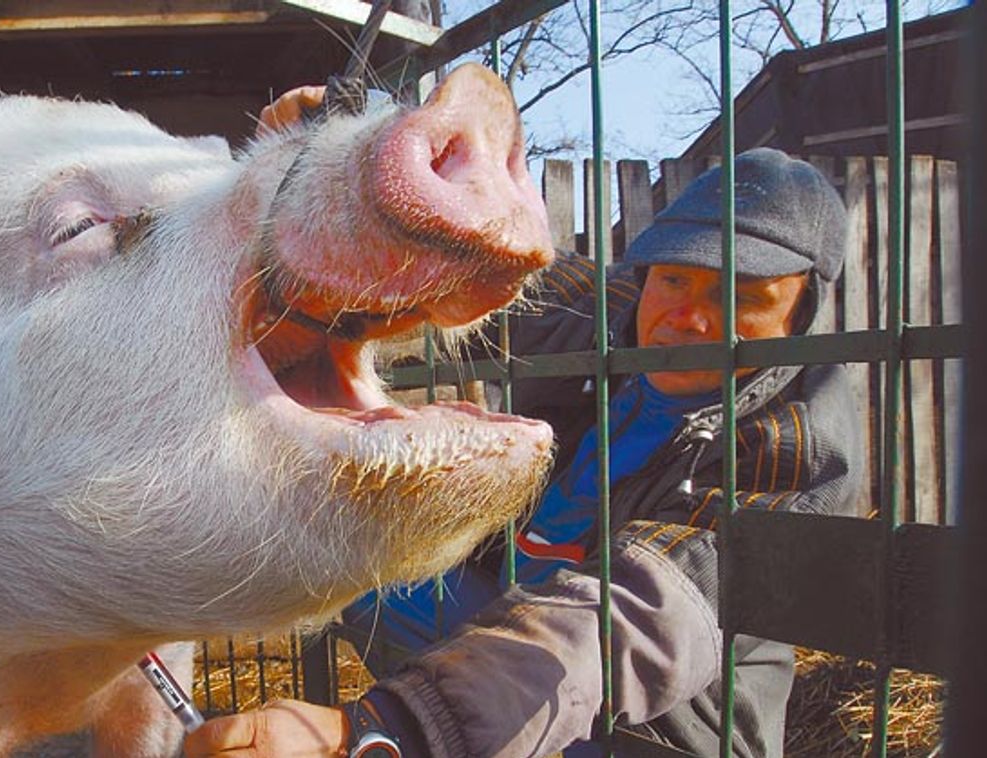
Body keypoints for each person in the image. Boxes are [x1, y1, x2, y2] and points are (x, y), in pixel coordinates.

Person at [186, 90, 862, 758]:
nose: (685, 316)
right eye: (675, 279)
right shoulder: (615, 319)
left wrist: (400, 727)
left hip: (635, 724)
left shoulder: (791, 449)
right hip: (495, 625)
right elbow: (484, 247)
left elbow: (630, 625)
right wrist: (340, 129)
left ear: (799, 316)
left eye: (738, 296)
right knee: (339, 537)